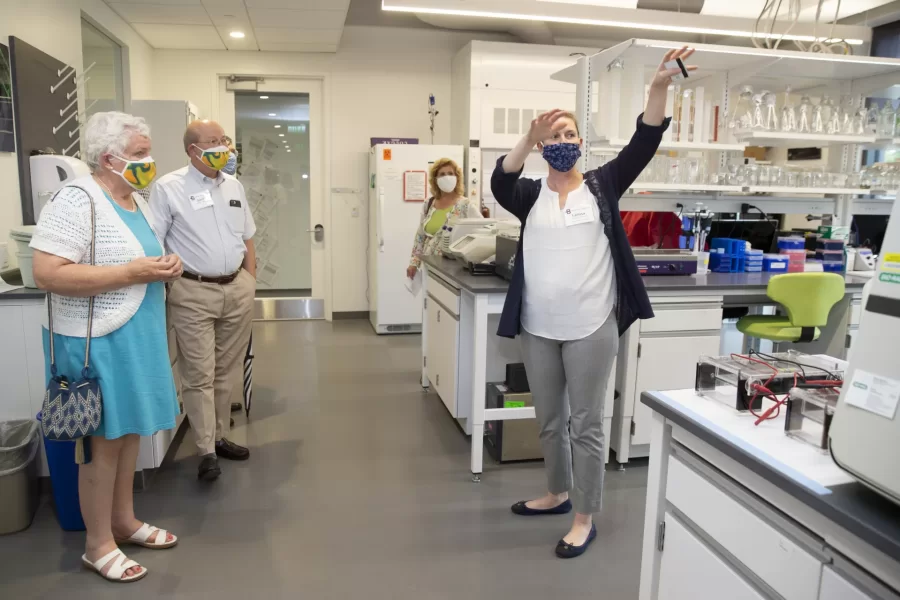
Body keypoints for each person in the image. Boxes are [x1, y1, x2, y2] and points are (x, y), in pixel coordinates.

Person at [491, 47, 697, 558]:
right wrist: (527, 136)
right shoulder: (529, 193)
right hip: (537, 326)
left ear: (581, 144)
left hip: (591, 325)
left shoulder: (602, 186)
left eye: (568, 135)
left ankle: (584, 515)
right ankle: (557, 494)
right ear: (542, 147)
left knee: (585, 422)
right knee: (548, 419)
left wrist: (658, 90)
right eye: (552, 137)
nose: (561, 143)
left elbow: (644, 141)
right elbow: (500, 179)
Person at [31, 111, 182, 583]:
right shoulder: (77, 199)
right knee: (101, 444)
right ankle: (97, 545)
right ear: (108, 157)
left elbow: (135, 257)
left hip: (135, 334)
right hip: (96, 342)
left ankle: (123, 520)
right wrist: (132, 273)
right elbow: (48, 272)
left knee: (129, 431)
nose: (148, 162)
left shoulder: (133, 199)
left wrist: (164, 265)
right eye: (139, 154)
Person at [149, 120, 257, 482]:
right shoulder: (168, 188)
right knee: (198, 373)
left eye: (224, 140)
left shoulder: (234, 185)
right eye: (214, 142)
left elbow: (248, 236)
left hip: (236, 288)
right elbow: (155, 241)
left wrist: (250, 281)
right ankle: (206, 448)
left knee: (226, 368)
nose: (223, 147)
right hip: (192, 291)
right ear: (193, 150)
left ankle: (222, 435)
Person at [406, 157, 482, 279]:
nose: (446, 177)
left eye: (450, 173)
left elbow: (483, 230)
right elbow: (420, 237)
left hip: (453, 271)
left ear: (457, 178)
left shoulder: (465, 206)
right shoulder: (429, 204)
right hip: (428, 266)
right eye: (442, 174)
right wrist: (413, 263)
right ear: (435, 180)